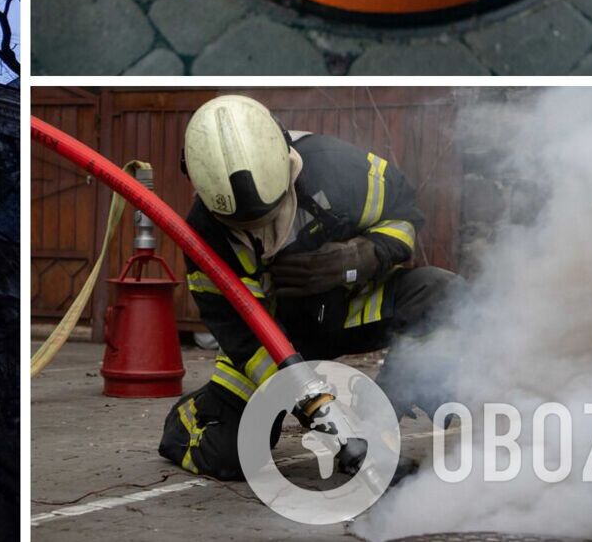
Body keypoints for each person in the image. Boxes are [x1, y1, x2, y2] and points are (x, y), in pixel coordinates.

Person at [159, 94, 461, 480]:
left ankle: (375, 422)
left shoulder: (339, 169)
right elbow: (240, 334)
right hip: (272, 341)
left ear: (287, 164)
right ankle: (192, 417)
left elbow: (406, 215)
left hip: (350, 309)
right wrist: (315, 405)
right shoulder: (203, 232)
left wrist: (356, 259)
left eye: (270, 215)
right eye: (246, 227)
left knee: (443, 294)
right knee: (234, 455)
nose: (265, 233)